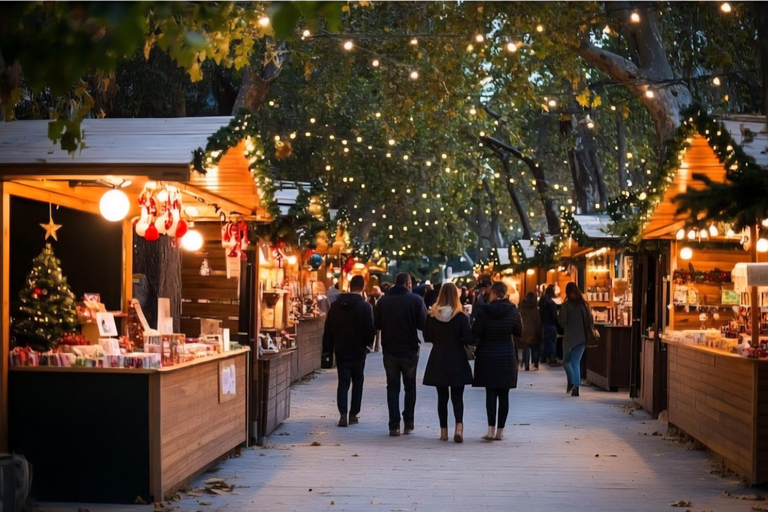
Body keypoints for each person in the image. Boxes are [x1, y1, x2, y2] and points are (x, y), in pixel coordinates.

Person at [375, 272, 428, 436]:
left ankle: (393, 425)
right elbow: (423, 324)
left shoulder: (383, 301)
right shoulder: (416, 300)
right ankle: (409, 422)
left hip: (389, 349)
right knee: (409, 387)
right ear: (408, 284)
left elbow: (376, 324)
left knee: (392, 387)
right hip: (409, 349)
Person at [322, 275, 376, 427]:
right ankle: (353, 414)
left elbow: (328, 328)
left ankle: (343, 414)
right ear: (362, 286)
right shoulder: (365, 307)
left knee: (343, 382)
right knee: (358, 381)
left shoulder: (336, 306)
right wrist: (368, 344)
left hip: (341, 350)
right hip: (358, 351)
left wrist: (327, 348)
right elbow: (369, 329)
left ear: (350, 286)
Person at [423, 283, 473, 443]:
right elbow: (468, 338)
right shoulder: (461, 316)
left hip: (438, 358)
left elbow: (427, 337)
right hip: (457, 358)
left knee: (441, 396)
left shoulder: (432, 315)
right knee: (457, 397)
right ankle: (459, 427)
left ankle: (443, 431)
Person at [472, 281, 522, 441]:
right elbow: (519, 332)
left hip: (487, 356)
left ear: (493, 292)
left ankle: (490, 430)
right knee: (504, 395)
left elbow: (475, 334)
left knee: (490, 394)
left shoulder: (483, 311)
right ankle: (501, 431)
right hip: (506, 356)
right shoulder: (513, 310)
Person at [558, 282, 593, 397]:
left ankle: (571, 382)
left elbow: (562, 322)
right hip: (582, 338)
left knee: (566, 362)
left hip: (568, 339)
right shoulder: (584, 305)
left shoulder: (566, 306)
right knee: (575, 362)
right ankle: (576, 386)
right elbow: (590, 322)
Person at [519, 292, 542, 371]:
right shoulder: (535, 309)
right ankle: (535, 364)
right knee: (535, 347)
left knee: (526, 347)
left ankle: (526, 363)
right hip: (533, 330)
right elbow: (537, 321)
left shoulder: (522, 307)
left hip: (524, 329)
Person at [539, 285, 559, 365]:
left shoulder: (542, 301)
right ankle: (552, 358)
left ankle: (543, 357)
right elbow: (554, 315)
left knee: (545, 341)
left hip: (544, 323)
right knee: (552, 342)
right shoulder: (551, 303)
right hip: (551, 324)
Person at [368, 286, 384, 352]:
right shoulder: (371, 298)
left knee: (378, 332)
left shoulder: (383, 298)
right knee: (375, 332)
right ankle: (374, 346)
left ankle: (377, 346)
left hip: (378, 316)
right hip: (373, 316)